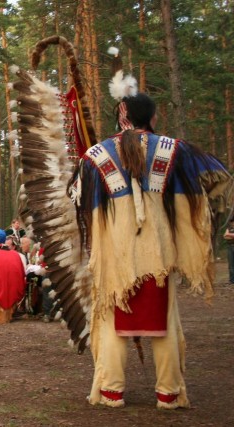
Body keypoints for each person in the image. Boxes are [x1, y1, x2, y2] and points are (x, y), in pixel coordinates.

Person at [69, 90, 231, 409]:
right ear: (153, 118)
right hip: (158, 253)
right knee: (164, 324)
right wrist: (196, 209)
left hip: (116, 255)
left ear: (121, 116)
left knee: (112, 323)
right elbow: (219, 177)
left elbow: (75, 195)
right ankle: (168, 394)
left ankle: (111, 392)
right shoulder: (174, 149)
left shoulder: (96, 155)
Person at [224, 216, 234, 285]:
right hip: (230, 247)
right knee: (231, 265)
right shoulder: (229, 228)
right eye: (232, 222)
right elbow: (225, 236)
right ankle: (231, 280)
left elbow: (228, 235)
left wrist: (229, 235)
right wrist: (231, 235)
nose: (232, 223)